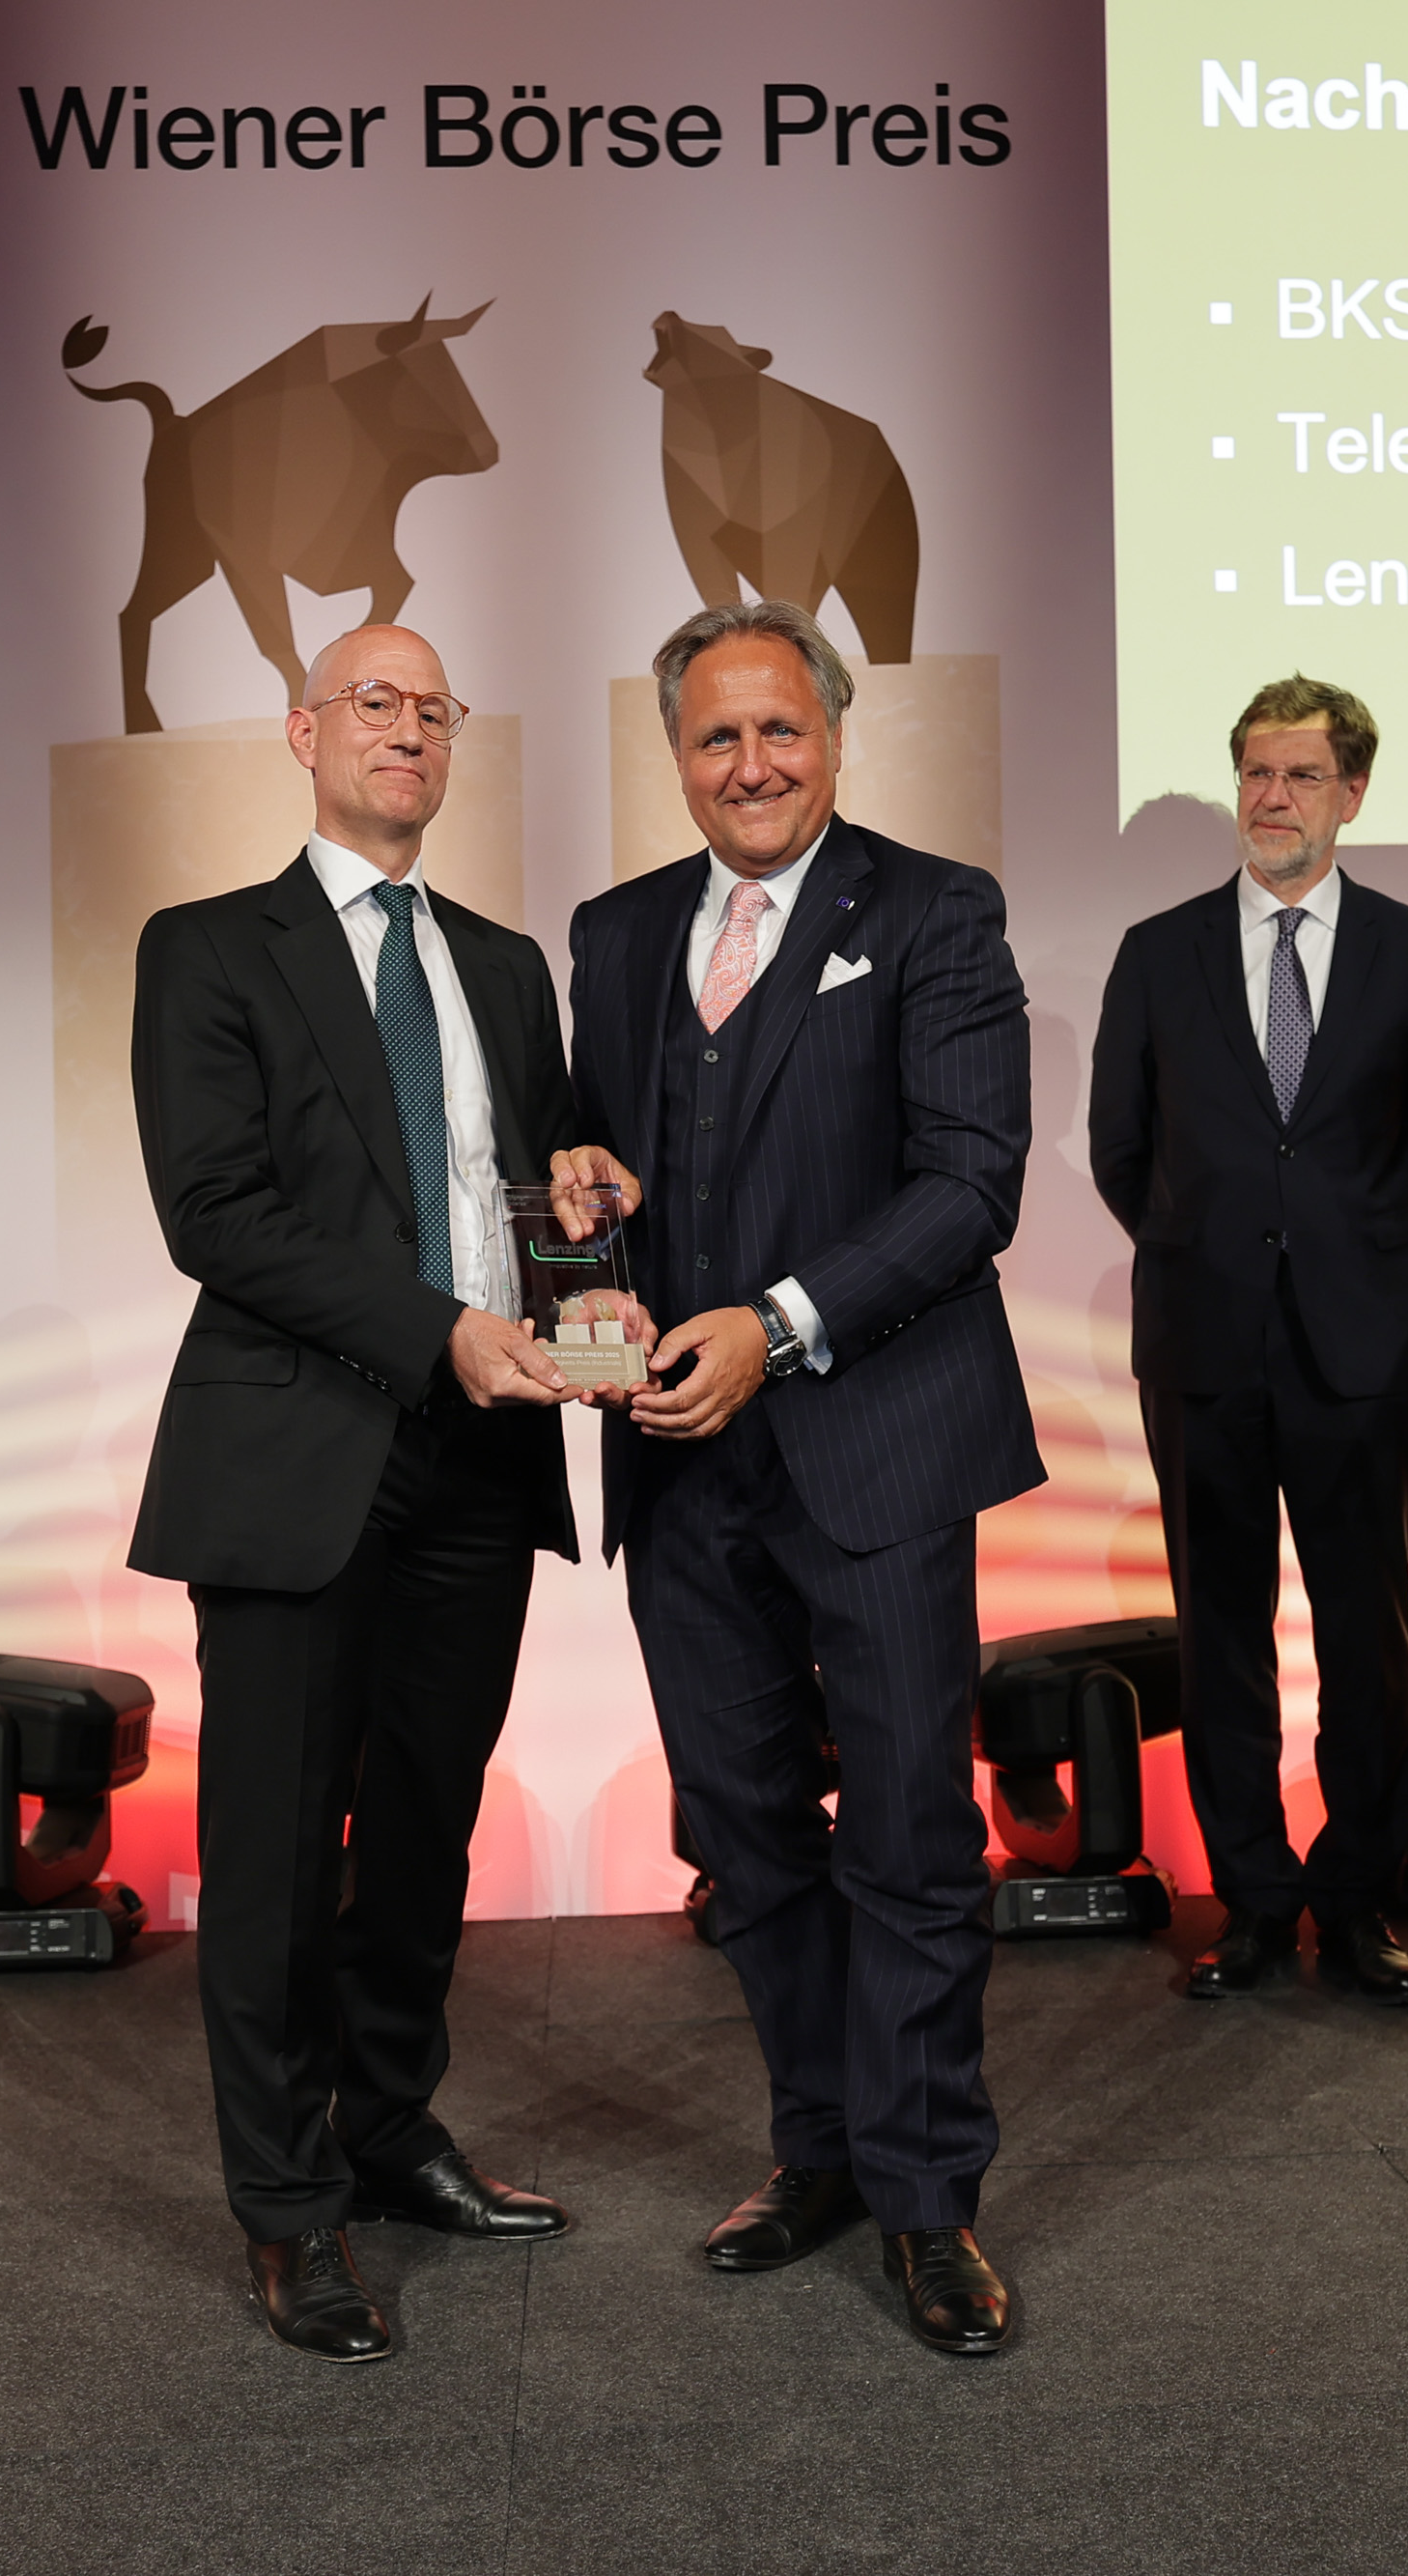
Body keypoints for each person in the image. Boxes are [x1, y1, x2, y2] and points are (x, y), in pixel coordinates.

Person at [127, 623, 639, 2366]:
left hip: (483, 1455)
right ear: (303, 733)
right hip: (299, 1452)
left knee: (424, 1827)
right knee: (277, 1850)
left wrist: (585, 1228)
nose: (407, 728)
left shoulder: (502, 962)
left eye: (433, 709)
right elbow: (216, 1213)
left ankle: (391, 2127)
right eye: (373, 702)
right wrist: (438, 1331)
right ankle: (289, 2207)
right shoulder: (208, 947)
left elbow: (532, 1191)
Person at [568, 599, 1042, 2359]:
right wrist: (588, 1250)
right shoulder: (616, 931)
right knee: (749, 1836)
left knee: (910, 1833)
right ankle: (823, 2147)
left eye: (782, 729)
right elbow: (595, 1171)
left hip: (880, 1446)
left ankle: (929, 2197)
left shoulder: (935, 910)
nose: (752, 763)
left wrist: (776, 1324)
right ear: (675, 754)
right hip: (682, 1465)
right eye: (718, 735)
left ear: (836, 737)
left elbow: (970, 1185)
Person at [1089, 676, 1408, 2009]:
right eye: (1256, 771)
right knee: (1221, 1632)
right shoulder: (1158, 950)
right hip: (1202, 1341)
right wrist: (1215, 1249)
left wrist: (1338, 1254)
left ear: (1351, 792)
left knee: (1367, 1630)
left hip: (1362, 1345)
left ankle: (1358, 1897)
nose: (1273, 796)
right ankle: (1252, 1898)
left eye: (1302, 774)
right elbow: (1121, 1149)